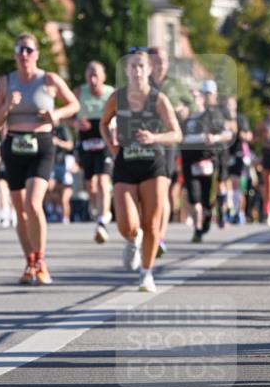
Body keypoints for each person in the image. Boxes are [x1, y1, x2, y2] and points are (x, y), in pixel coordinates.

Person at [0, 32, 79, 285]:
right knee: (20, 210)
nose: (24, 55)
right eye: (20, 50)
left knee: (33, 203)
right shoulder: (5, 82)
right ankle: (29, 261)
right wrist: (7, 106)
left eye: (29, 50)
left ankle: (41, 261)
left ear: (37, 54)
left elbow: (74, 104)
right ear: (14, 55)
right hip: (14, 146)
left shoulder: (49, 79)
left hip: (41, 145)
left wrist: (57, 114)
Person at [99, 48, 181, 292]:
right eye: (132, 66)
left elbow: (177, 134)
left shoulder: (159, 99)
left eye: (141, 66)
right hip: (125, 163)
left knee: (152, 224)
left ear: (149, 70)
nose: (137, 71)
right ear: (126, 70)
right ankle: (133, 241)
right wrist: (111, 146)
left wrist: (154, 136)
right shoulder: (116, 98)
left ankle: (146, 273)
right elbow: (103, 123)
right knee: (128, 225)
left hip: (153, 164)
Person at [148, 46, 193, 254]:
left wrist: (183, 110)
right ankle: (148, 231)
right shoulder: (142, 82)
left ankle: (160, 236)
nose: (161, 65)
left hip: (166, 142)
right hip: (145, 141)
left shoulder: (175, 84)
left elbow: (190, 104)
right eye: (157, 61)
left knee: (163, 189)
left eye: (164, 61)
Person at [180, 80, 233, 243]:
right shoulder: (185, 116)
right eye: (193, 97)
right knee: (193, 196)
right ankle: (197, 229)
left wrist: (214, 137)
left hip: (208, 158)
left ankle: (211, 214)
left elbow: (228, 133)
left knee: (207, 197)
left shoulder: (213, 114)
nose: (195, 100)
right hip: (189, 160)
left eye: (199, 96)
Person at [73, 61, 114, 244]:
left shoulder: (110, 93)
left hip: (105, 141)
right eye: (89, 75)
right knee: (90, 185)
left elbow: (122, 114)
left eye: (96, 75)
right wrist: (75, 123)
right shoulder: (79, 92)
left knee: (103, 181)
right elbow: (67, 115)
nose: (93, 79)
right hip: (86, 143)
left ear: (103, 77)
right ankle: (98, 208)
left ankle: (103, 219)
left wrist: (114, 124)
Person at [222, 95, 252, 224]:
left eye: (231, 104)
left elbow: (248, 135)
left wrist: (239, 131)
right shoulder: (222, 119)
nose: (229, 107)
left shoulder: (241, 119)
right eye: (226, 104)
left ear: (235, 105)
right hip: (225, 154)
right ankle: (229, 211)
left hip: (239, 154)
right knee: (225, 183)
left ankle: (239, 212)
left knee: (237, 184)